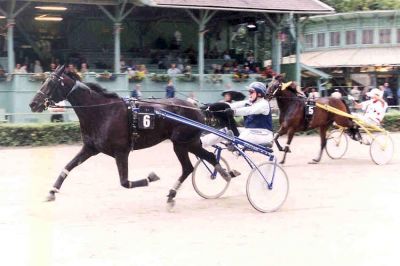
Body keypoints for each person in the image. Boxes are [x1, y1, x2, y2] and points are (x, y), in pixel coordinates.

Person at [201, 81, 273, 148]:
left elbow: (248, 110)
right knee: (225, 131)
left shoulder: (264, 104)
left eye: (251, 92)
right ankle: (202, 142)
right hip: (251, 132)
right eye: (249, 92)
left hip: (264, 135)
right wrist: (211, 106)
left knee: (244, 134)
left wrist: (233, 112)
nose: (249, 94)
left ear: (259, 94)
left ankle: (236, 145)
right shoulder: (249, 102)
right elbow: (231, 105)